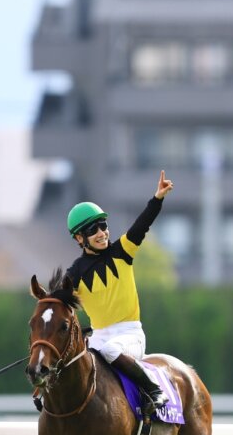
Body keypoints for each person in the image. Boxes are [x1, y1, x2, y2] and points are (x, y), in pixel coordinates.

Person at [63, 170, 174, 414]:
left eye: (103, 225)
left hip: (130, 335)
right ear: (80, 238)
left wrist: (157, 198)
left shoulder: (122, 251)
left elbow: (142, 224)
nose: (102, 233)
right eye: (94, 229)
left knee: (109, 351)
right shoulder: (75, 272)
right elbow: (57, 306)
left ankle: (154, 389)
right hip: (99, 336)